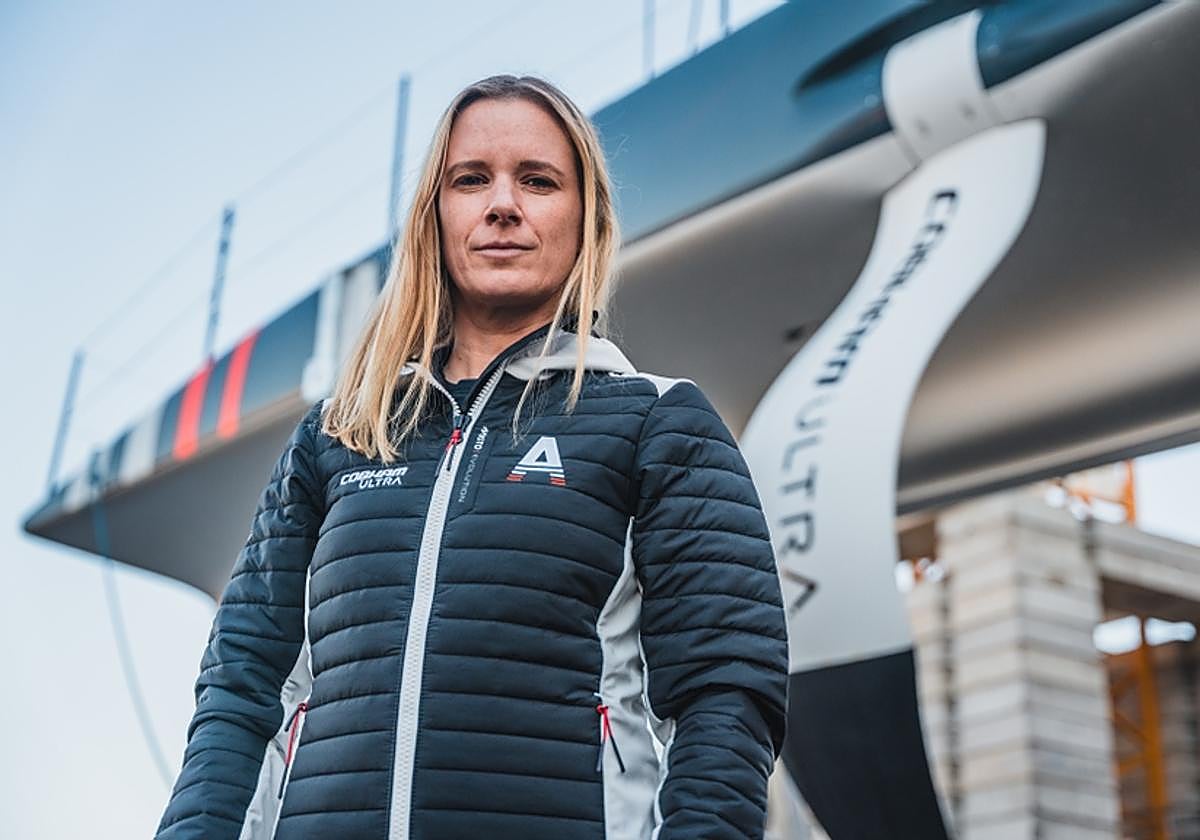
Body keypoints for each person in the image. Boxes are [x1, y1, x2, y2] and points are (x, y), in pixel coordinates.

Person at [155, 73, 789, 840]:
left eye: (538, 180)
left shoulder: (658, 423)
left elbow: (726, 691)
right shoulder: (337, 436)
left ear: (585, 218)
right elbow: (240, 688)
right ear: (436, 215)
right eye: (470, 179)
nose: (502, 204)